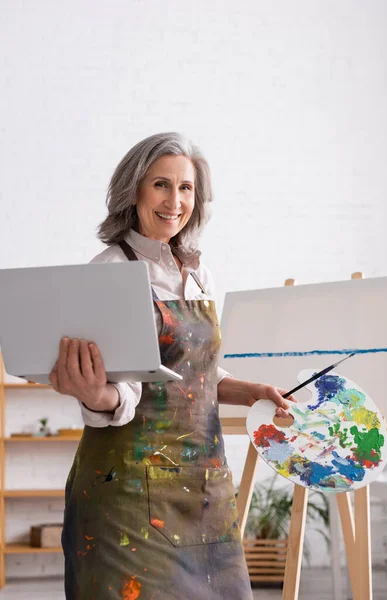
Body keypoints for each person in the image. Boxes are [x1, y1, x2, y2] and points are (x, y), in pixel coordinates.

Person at [49, 132, 296, 600]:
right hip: (126, 496)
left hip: (203, 490)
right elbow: (124, 389)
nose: (175, 200)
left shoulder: (198, 272)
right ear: (134, 190)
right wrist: (92, 394)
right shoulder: (109, 272)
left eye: (186, 188)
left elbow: (193, 372)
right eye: (161, 184)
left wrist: (252, 390)